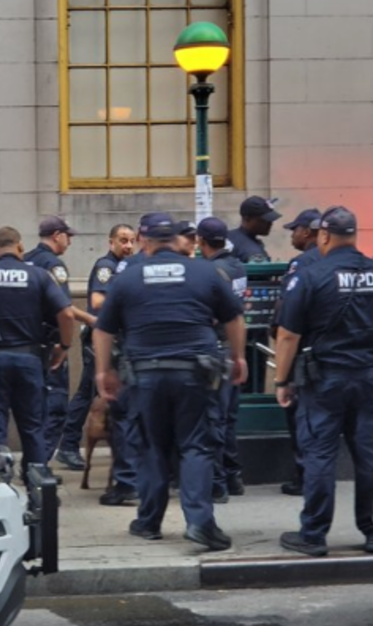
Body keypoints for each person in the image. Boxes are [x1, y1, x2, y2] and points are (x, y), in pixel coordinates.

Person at [94, 212, 248, 551]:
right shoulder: (204, 271)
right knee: (196, 445)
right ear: (178, 241)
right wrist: (238, 357)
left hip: (145, 375)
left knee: (150, 447)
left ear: (144, 241)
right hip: (195, 373)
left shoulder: (127, 277)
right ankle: (200, 523)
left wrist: (103, 372)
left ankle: (149, 522)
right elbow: (235, 317)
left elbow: (103, 328)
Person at [273, 206, 373, 557]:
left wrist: (281, 380)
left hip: (325, 380)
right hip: (371, 378)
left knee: (319, 453)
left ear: (322, 235)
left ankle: (314, 535)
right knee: (371, 455)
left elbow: (288, 335)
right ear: (354, 234)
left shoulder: (310, 276)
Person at [0, 227, 74, 472]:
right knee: (33, 427)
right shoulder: (39, 276)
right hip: (30, 360)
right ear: (20, 248)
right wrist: (64, 347)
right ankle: (37, 485)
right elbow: (66, 313)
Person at [62, 223, 138, 503]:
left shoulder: (128, 266)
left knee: (95, 394)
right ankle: (69, 444)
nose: (128, 246)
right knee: (88, 392)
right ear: (111, 241)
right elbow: (96, 301)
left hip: (116, 340)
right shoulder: (107, 266)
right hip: (101, 339)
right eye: (122, 240)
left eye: (131, 241)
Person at [25, 215, 95, 466]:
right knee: (55, 408)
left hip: (27, 344)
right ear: (56, 235)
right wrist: (90, 319)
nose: (70, 242)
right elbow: (64, 308)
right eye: (68, 236)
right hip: (50, 344)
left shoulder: (27, 259)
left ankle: (30, 464)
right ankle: (39, 467)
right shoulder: (54, 265)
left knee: (32, 411)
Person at [196, 217, 248, 504]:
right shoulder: (238, 266)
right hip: (233, 348)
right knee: (229, 418)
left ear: (201, 241)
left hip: (215, 347)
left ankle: (217, 483)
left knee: (213, 418)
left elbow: (211, 313)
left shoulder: (209, 271)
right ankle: (233, 475)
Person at [275, 208, 322, 497]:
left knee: (303, 423)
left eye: (295, 229)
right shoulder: (364, 266)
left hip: (307, 357)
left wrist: (282, 377)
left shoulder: (301, 264)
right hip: (358, 363)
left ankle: (305, 479)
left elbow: (287, 319)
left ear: (308, 232)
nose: (293, 235)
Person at [228, 196, 281, 263]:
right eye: (264, 220)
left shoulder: (229, 236)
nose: (270, 224)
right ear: (247, 218)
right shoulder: (251, 250)